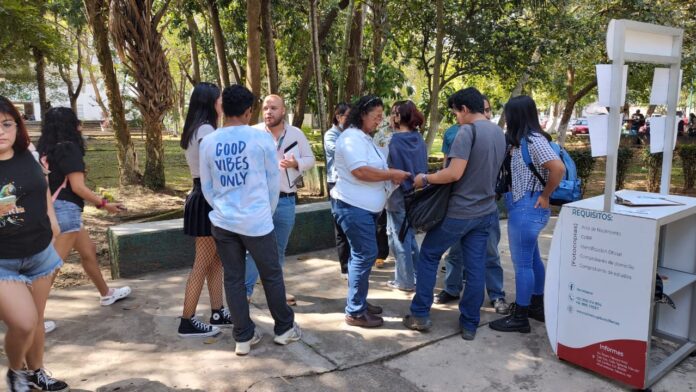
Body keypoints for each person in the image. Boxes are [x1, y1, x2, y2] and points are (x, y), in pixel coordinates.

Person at [199, 84, 301, 356]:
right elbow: (272, 183)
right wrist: (264, 212)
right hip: (257, 221)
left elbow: (207, 187)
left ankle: (242, 338)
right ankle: (284, 330)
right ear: (248, 111)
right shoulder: (261, 139)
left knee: (233, 279)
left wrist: (223, 208)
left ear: (223, 109)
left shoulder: (209, 142)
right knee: (271, 275)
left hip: (223, 222)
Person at [402, 87, 505, 341]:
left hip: (460, 211)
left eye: (456, 113)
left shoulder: (466, 132)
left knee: (428, 255)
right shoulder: (498, 132)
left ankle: (420, 315)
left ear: (465, 109)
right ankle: (470, 323)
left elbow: (453, 173)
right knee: (475, 266)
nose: (456, 118)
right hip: (486, 211)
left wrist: (424, 178)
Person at [0, 95, 69, 392]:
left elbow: (43, 187)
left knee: (37, 320)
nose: (1, 131)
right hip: (4, 261)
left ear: (16, 125)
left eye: (6, 124)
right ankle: (16, 371)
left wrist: (53, 217)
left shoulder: (27, 152)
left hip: (40, 253)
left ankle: (36, 371)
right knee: (24, 322)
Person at [36, 107, 131, 307]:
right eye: (76, 122)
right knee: (51, 267)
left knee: (88, 250)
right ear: (71, 125)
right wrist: (104, 204)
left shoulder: (46, 150)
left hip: (57, 210)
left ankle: (106, 293)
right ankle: (34, 319)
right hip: (66, 212)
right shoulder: (68, 148)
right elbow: (78, 187)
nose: (80, 126)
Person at [331, 95, 410, 328]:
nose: (380, 121)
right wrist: (391, 175)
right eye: (376, 116)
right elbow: (361, 171)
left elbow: (375, 167)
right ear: (363, 114)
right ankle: (355, 311)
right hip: (353, 207)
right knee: (364, 255)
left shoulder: (364, 138)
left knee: (363, 255)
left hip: (363, 208)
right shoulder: (350, 139)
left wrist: (390, 173)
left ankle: (359, 303)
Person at [489, 95, 565, 334]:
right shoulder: (522, 141)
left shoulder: (533, 141)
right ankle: (535, 304)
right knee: (531, 259)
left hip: (527, 207)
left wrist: (545, 194)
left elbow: (558, 168)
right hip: (524, 207)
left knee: (521, 264)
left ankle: (520, 316)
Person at [435, 96, 510, 315]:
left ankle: (496, 294)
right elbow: (449, 165)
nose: (486, 115)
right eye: (484, 110)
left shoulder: (495, 133)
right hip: (461, 205)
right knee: (456, 252)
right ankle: (451, 288)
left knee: (489, 253)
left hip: (485, 205)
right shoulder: (456, 132)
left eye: (489, 110)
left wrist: (425, 179)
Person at [244, 95, 316, 305]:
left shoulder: (295, 133)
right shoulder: (253, 133)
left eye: (274, 108)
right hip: (259, 202)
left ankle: (276, 291)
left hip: (286, 200)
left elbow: (310, 159)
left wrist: (296, 163)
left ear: (283, 110)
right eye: (266, 108)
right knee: (253, 249)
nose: (268, 112)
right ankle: (245, 292)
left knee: (278, 250)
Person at [177, 82, 232, 338]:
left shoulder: (195, 128)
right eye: (220, 98)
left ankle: (218, 310)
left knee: (215, 259)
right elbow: (217, 168)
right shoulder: (207, 129)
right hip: (207, 197)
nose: (223, 103)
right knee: (203, 261)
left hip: (200, 195)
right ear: (211, 101)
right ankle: (187, 320)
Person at [384, 101, 427, 292]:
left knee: (398, 239)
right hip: (416, 194)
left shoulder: (391, 141)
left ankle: (405, 280)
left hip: (396, 194)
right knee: (408, 236)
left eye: (392, 113)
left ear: (398, 116)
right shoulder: (418, 139)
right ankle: (418, 273)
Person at [325, 103, 352, 279]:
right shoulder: (331, 135)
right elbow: (341, 153)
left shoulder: (349, 134)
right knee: (340, 227)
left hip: (349, 182)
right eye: (347, 117)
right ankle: (345, 268)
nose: (350, 121)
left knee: (350, 224)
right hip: (335, 183)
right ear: (338, 116)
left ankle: (352, 263)